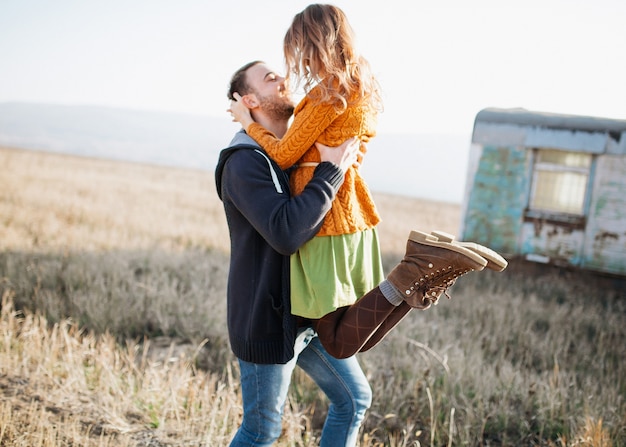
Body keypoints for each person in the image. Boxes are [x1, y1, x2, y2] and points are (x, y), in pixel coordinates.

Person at [229, 4, 508, 360]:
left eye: (298, 52)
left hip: (326, 223)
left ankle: (416, 269)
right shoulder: (360, 84)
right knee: (348, 335)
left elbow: (283, 155)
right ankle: (423, 272)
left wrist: (247, 123)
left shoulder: (325, 94)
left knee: (335, 340)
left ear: (313, 43)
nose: (297, 64)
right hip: (353, 216)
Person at [216, 60, 372, 447]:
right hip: (266, 317)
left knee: (354, 400)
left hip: (307, 311)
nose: (285, 79)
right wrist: (331, 172)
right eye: (271, 78)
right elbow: (286, 232)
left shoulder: (287, 157)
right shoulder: (244, 163)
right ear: (249, 100)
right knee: (262, 431)